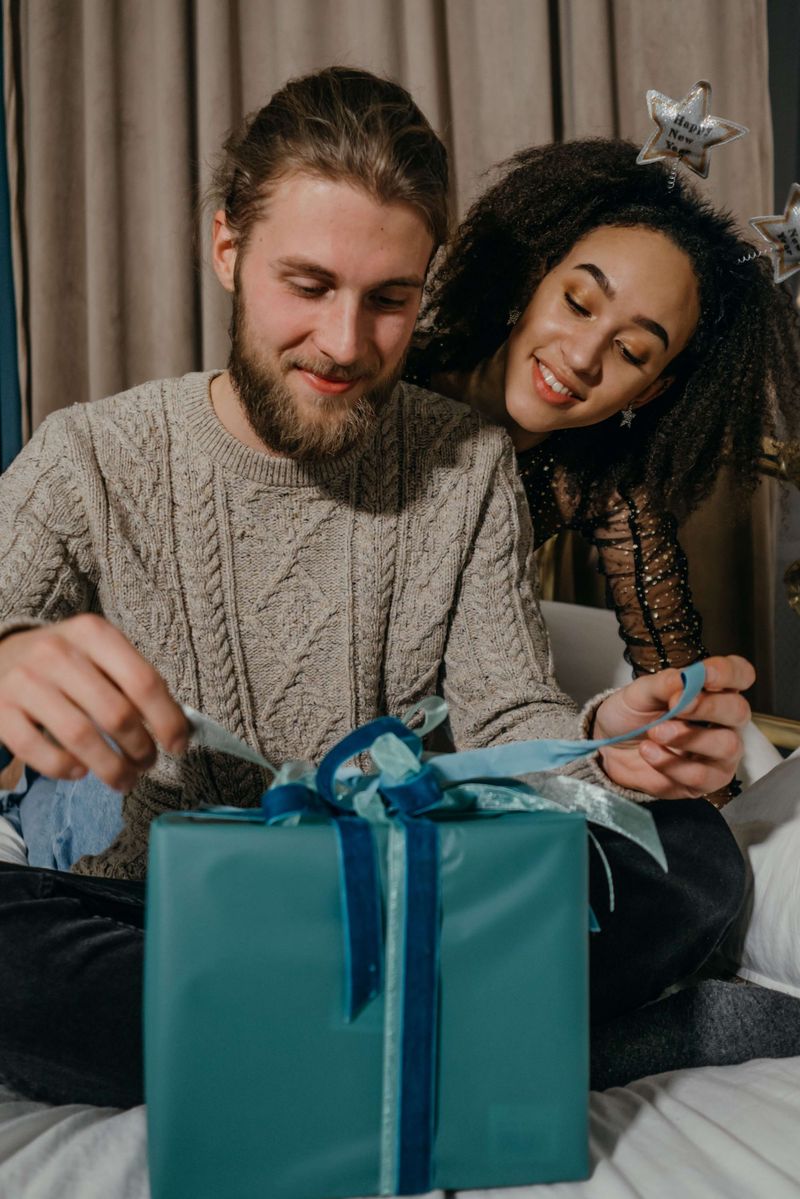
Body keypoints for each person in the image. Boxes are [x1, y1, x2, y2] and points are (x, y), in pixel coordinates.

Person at [0, 67, 766, 1109]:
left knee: (688, 856)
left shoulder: (468, 463)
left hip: (400, 904)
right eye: (306, 285)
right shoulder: (90, 453)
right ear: (225, 248)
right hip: (160, 918)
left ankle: (286, 1051)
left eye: (389, 299)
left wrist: (600, 744)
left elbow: (506, 716)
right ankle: (536, 1038)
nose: (344, 343)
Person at [408, 138, 800, 693]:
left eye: (632, 351)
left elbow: (671, 677)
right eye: (577, 303)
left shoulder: (597, 479)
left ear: (649, 390)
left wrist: (691, 741)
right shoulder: (383, 382)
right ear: (535, 277)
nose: (582, 357)